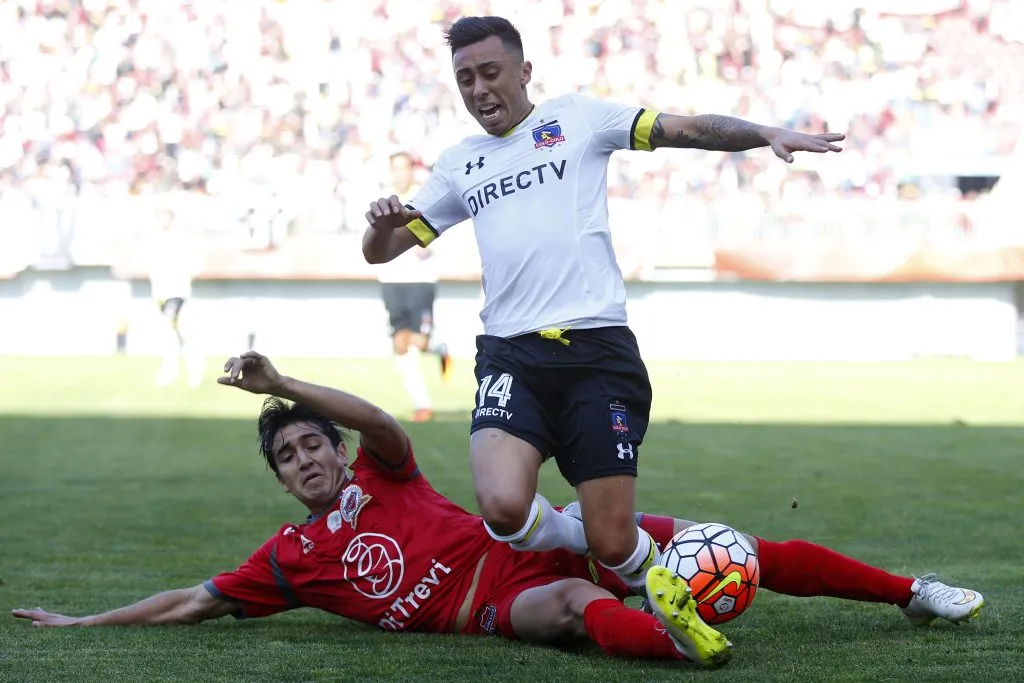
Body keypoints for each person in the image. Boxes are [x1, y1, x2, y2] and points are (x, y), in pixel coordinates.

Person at [12, 352, 984, 669]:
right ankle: (677, 637)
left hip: (525, 533)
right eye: (289, 453)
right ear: (277, 479)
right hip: (487, 599)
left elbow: (385, 417)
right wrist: (82, 620)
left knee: (733, 545)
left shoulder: (380, 475)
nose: (307, 455)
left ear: (337, 452)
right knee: (561, 610)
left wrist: (286, 382)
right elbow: (194, 600)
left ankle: (910, 590)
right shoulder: (289, 558)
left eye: (314, 440)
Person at [361, 15, 847, 600]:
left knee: (614, 545)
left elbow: (687, 128)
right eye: (465, 79)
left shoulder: (577, 121)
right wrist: (379, 228)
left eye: (490, 73)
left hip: (596, 350)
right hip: (511, 354)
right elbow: (385, 251)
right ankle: (625, 561)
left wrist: (764, 133)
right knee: (502, 509)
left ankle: (640, 568)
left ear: (524, 70)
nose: (478, 89)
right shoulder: (458, 163)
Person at [374, 151, 452, 422]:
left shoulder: (423, 197)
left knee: (418, 341)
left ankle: (439, 348)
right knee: (400, 344)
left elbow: (440, 231)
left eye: (404, 168)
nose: (400, 173)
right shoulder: (382, 200)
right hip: (392, 281)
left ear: (412, 170)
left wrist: (425, 244)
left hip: (421, 281)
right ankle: (422, 404)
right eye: (395, 168)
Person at [148, 206, 204, 388]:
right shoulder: (154, 240)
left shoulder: (181, 239)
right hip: (160, 293)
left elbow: (195, 261)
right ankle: (173, 371)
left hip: (177, 292)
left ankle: (192, 370)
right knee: (171, 333)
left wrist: (190, 274)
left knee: (180, 331)